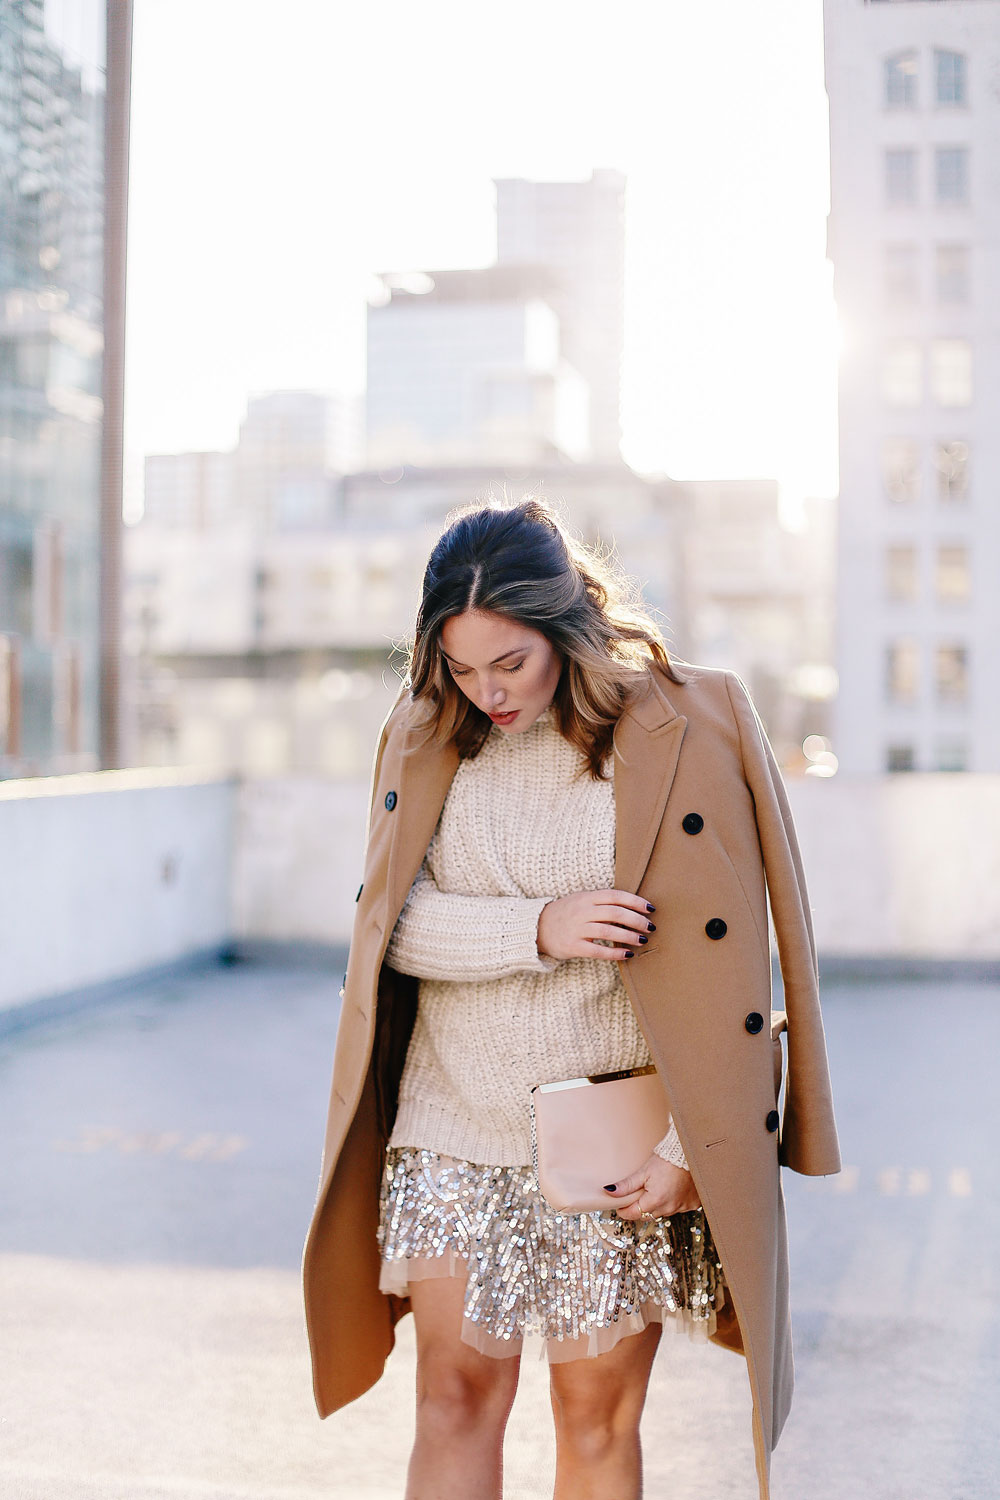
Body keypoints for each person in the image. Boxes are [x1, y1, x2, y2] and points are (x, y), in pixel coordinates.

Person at [302, 496, 840, 1500]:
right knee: (451, 1404)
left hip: (615, 1140)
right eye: (461, 667)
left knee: (595, 1423)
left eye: (509, 662)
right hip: (450, 1124)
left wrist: (693, 1144)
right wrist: (537, 928)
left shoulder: (688, 722)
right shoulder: (426, 735)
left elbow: (745, 960)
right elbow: (389, 931)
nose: (486, 690)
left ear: (565, 624)